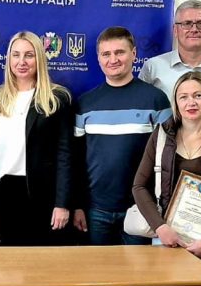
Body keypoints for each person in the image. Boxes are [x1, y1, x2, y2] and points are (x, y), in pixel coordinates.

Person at [132, 71, 201, 275]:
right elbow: (139, 186)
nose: (190, 102)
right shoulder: (161, 136)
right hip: (168, 238)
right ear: (176, 102)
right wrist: (160, 228)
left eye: (198, 95)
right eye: (183, 97)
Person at [73, 26, 171, 245]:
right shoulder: (85, 103)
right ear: (98, 58)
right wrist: (78, 205)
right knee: (98, 267)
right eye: (106, 54)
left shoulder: (156, 100)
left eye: (120, 52)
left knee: (138, 268)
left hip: (142, 208)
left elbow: (169, 157)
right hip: (96, 209)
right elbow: (76, 160)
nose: (113, 59)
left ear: (134, 54)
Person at [0, 31, 72, 245]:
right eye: (16, 55)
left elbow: (65, 155)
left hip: (42, 195)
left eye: (29, 55)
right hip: (3, 193)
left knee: (42, 260)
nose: (21, 61)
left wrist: (62, 203)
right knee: (9, 260)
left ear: (39, 58)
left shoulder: (57, 98)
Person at [139, 0, 201, 102]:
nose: (194, 29)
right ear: (175, 30)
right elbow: (141, 106)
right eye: (187, 23)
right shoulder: (153, 67)